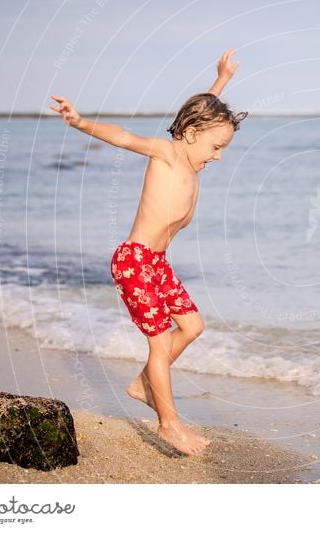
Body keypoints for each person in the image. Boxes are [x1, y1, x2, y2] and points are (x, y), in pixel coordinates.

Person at [49, 49, 247, 455]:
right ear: (192, 135)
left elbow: (203, 113)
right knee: (159, 345)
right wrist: (79, 121)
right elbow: (123, 137)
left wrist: (222, 79)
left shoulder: (193, 156)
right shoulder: (168, 153)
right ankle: (169, 425)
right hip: (135, 261)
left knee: (192, 326)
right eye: (216, 147)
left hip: (157, 263)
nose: (218, 155)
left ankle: (144, 383)